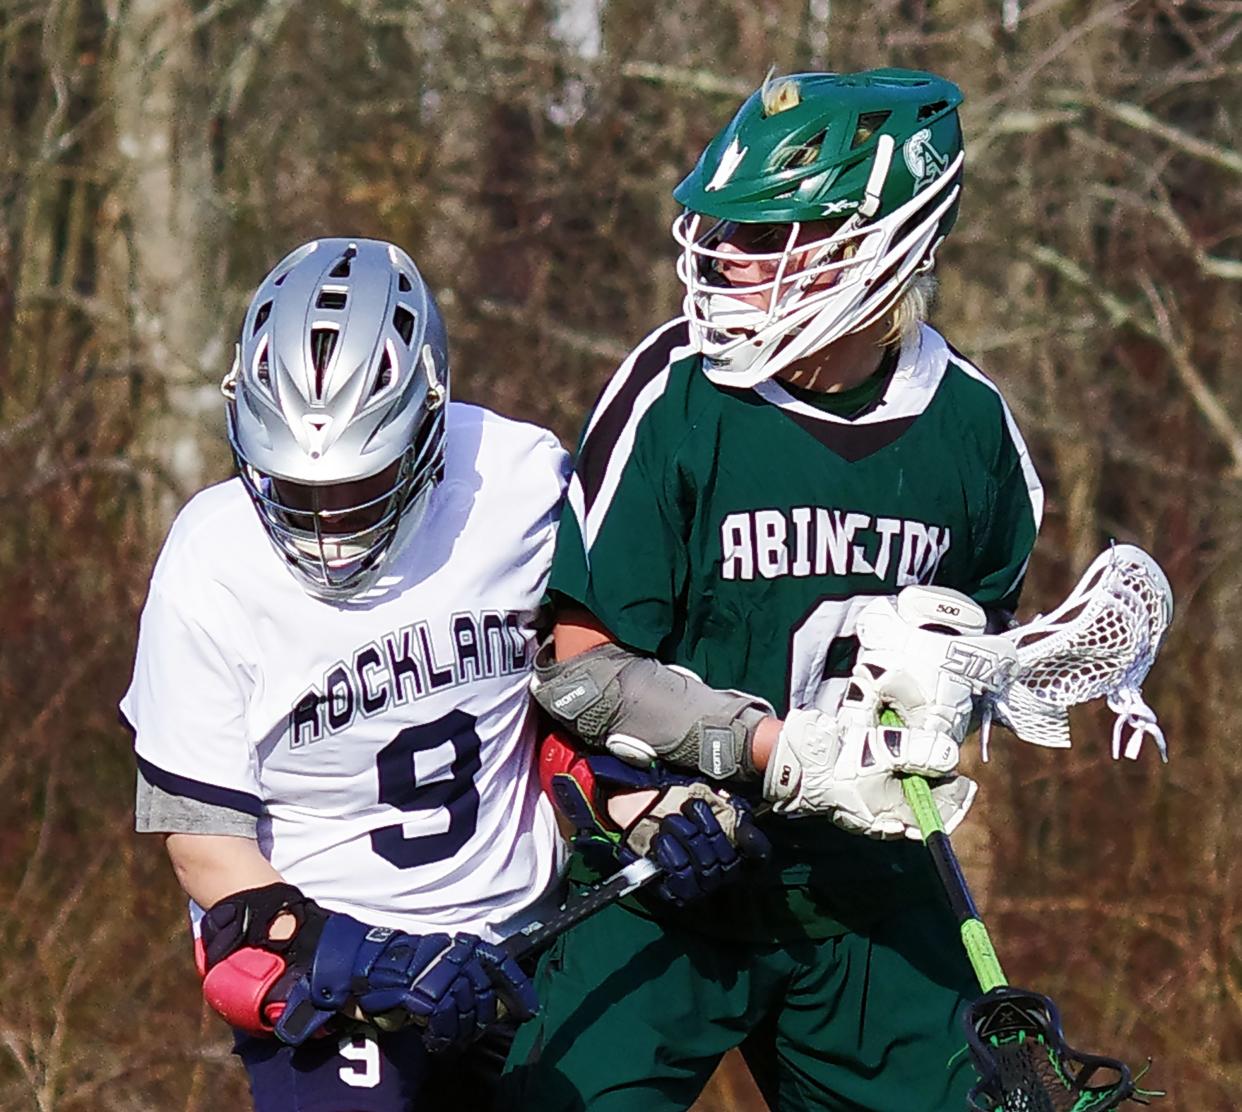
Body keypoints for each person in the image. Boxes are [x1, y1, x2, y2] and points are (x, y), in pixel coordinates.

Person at [500, 68, 1044, 1111]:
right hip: (673, 870)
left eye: (769, 235)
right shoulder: (676, 396)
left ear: (879, 241)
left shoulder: (972, 432)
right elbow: (577, 672)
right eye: (725, 231)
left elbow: (979, 648)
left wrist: (969, 689)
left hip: (868, 900)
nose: (727, 260)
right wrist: (767, 747)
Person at [121, 237, 572, 1111]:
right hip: (329, 963)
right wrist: (363, 956)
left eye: (360, 486)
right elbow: (201, 846)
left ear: (429, 426)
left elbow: (590, 679)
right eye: (293, 488)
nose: (326, 522)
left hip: (533, 934)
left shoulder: (522, 482)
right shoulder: (209, 562)